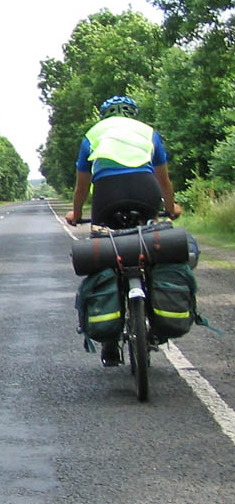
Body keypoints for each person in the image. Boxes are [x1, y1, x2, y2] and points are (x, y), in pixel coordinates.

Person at [65, 95, 182, 366]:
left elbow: (82, 186)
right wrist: (171, 206)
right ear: (133, 115)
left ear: (105, 116)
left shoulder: (92, 135)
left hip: (107, 197)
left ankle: (108, 341)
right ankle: (155, 304)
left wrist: (77, 214)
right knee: (149, 244)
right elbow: (163, 180)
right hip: (146, 192)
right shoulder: (149, 133)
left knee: (105, 251)